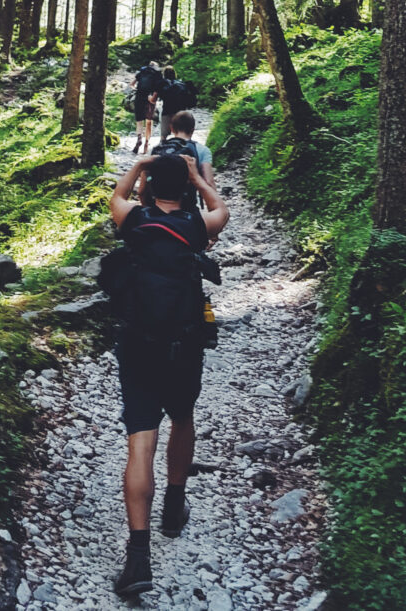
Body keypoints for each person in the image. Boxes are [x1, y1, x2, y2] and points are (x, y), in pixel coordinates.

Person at [107, 154, 229, 598]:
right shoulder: (198, 227)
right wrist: (200, 177)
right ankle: (173, 509)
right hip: (184, 343)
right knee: (182, 417)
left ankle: (138, 557)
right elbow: (223, 210)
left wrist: (139, 165)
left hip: (139, 344)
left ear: (150, 185)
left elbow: (115, 196)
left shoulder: (134, 220)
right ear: (188, 189)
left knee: (141, 441)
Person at [137, 110, 215, 212]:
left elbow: (142, 189)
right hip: (187, 209)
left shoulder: (157, 149)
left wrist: (147, 209)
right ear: (193, 129)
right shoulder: (202, 150)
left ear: (172, 128)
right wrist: (213, 212)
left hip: (158, 208)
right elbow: (209, 182)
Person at [151, 66, 196, 143]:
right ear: (174, 74)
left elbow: (153, 100)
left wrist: (149, 98)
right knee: (181, 134)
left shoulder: (161, 83)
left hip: (167, 111)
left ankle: (162, 149)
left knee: (163, 137)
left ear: (164, 74)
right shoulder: (181, 83)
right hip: (180, 113)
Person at [132, 61, 163, 154]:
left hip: (139, 97)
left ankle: (139, 139)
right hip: (150, 98)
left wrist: (136, 90)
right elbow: (159, 88)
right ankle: (146, 143)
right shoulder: (157, 73)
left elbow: (132, 84)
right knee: (149, 121)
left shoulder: (142, 71)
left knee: (139, 121)